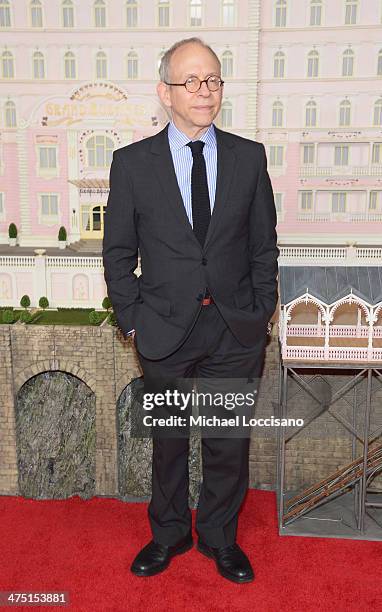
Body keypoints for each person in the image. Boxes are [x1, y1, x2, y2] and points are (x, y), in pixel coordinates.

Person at [102, 37, 279, 584]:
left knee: (228, 444)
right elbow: (118, 254)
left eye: (214, 80)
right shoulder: (132, 164)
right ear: (166, 92)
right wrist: (132, 320)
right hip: (164, 330)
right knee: (169, 442)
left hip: (234, 330)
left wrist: (260, 309)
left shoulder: (250, 158)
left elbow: (262, 247)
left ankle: (221, 539)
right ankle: (169, 533)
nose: (205, 91)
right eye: (192, 82)